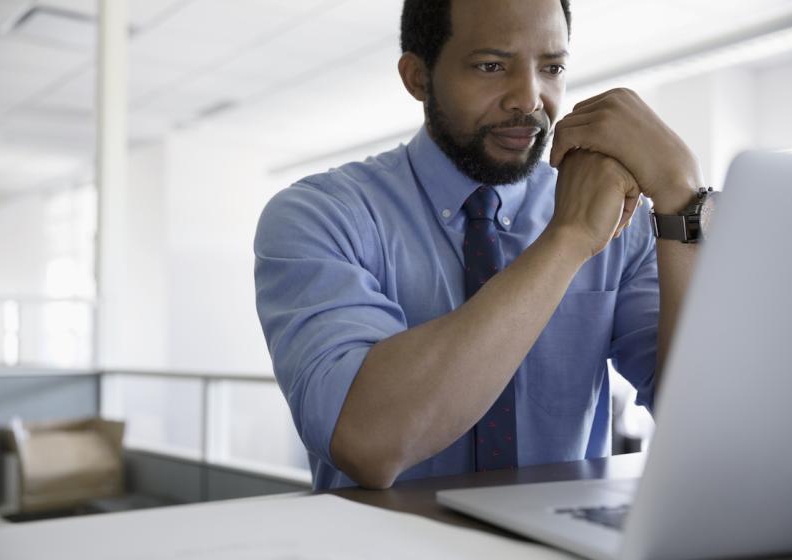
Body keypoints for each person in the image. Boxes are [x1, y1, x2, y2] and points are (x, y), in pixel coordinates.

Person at [254, 0, 704, 490]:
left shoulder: (622, 222)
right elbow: (370, 442)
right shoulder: (320, 215)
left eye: (551, 67)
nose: (529, 99)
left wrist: (681, 201)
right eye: (492, 66)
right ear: (418, 77)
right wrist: (567, 241)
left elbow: (704, 418)